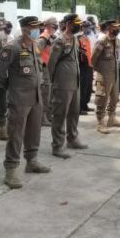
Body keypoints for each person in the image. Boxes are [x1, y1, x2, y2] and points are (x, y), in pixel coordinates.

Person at [0, 16, 51, 189]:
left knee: (34, 131)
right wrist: (11, 87)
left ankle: (31, 161)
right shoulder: (12, 47)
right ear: (25, 28)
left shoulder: (34, 45)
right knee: (16, 134)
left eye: (39, 28)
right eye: (34, 28)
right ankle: (11, 170)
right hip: (19, 99)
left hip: (35, 97)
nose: (37, 31)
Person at [48, 14, 88, 158]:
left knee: (74, 112)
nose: (79, 26)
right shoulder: (60, 40)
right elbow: (52, 63)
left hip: (74, 82)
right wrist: (53, 82)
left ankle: (72, 138)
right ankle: (57, 146)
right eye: (76, 24)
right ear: (69, 24)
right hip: (62, 83)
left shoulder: (75, 39)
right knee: (60, 114)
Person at [91, 20, 120, 134]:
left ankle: (111, 118)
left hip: (114, 74)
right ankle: (101, 122)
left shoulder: (117, 41)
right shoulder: (102, 41)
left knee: (115, 97)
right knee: (102, 99)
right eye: (115, 28)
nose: (118, 30)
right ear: (110, 28)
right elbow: (93, 58)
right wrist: (98, 70)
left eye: (118, 28)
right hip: (104, 74)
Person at [37, 17, 58, 126]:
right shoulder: (44, 37)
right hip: (44, 68)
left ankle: (48, 115)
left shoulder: (50, 37)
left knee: (49, 93)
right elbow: (36, 52)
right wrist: (40, 65)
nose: (56, 26)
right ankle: (42, 117)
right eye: (54, 24)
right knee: (45, 93)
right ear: (49, 25)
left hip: (49, 68)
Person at [78, 22, 94, 115]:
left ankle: (85, 105)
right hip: (82, 66)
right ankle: (80, 107)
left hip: (89, 65)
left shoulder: (86, 38)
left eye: (89, 27)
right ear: (82, 28)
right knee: (83, 88)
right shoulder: (78, 38)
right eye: (86, 27)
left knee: (88, 87)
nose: (88, 29)